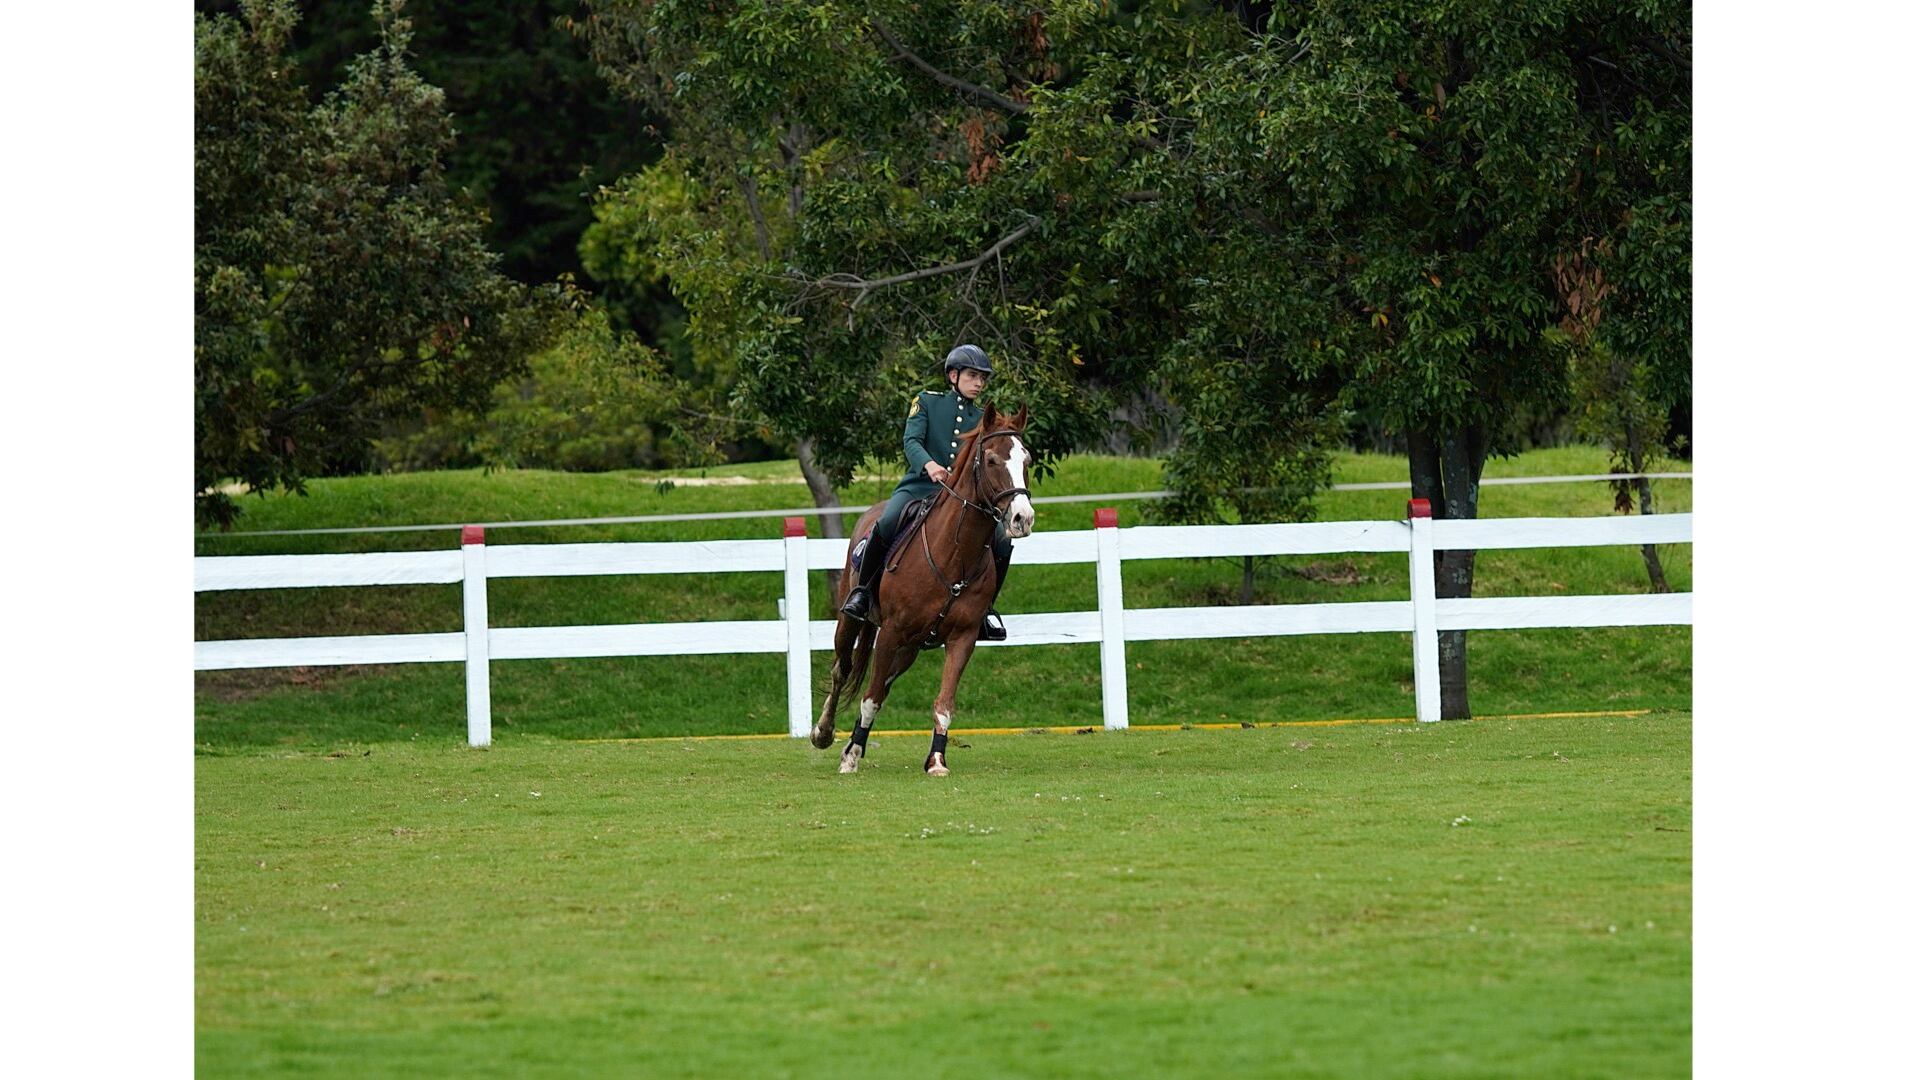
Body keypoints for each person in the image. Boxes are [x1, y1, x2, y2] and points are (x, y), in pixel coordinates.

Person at [839, 344, 1012, 640]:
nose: (979, 383)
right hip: (920, 487)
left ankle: (985, 610)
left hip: (961, 499)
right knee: (887, 522)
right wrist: (929, 465)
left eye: (983, 378)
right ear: (953, 376)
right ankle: (863, 593)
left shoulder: (984, 418)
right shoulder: (927, 402)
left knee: (1001, 540)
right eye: (972, 376)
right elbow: (912, 441)